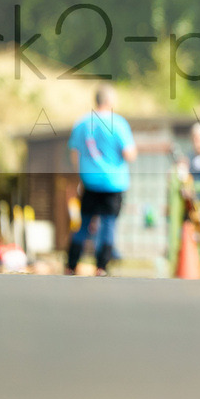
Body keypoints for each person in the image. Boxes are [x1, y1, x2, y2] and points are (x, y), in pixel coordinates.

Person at [65, 83, 137, 276]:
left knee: (84, 223)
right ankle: (101, 266)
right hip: (113, 183)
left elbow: (74, 154)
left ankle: (71, 264)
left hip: (89, 182)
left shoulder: (81, 123)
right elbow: (129, 154)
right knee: (108, 224)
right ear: (109, 100)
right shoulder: (118, 123)